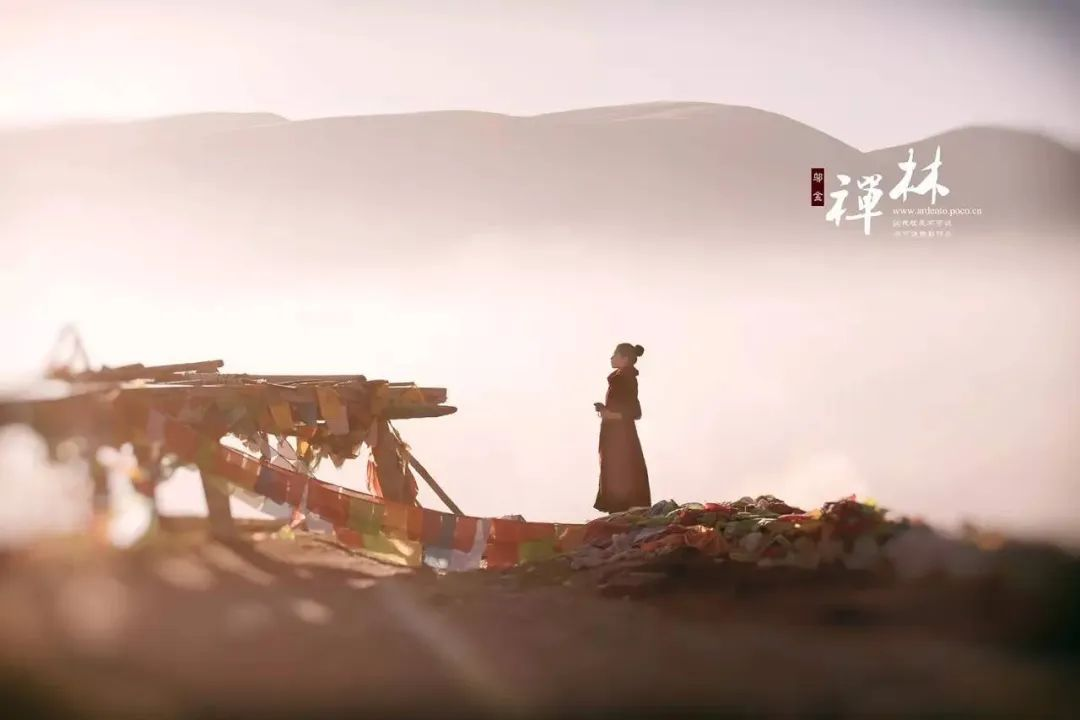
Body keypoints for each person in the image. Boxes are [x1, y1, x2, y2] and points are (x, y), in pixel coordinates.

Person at [594, 342, 651, 513]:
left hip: (621, 437)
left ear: (624, 358)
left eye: (615, 354)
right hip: (616, 435)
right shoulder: (619, 378)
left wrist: (609, 414)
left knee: (621, 475)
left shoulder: (625, 378)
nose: (611, 358)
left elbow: (634, 411)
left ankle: (622, 511)